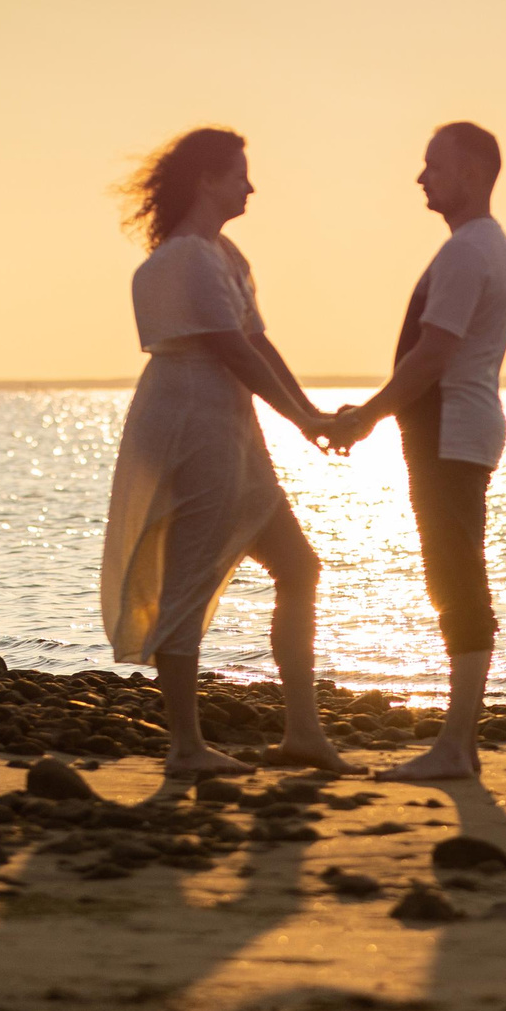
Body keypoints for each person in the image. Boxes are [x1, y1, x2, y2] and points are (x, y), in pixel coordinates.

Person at [99, 126, 353, 778]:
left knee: (298, 567)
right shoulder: (185, 258)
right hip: (192, 423)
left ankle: (303, 734)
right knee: (187, 582)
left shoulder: (224, 253)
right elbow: (232, 351)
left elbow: (258, 345)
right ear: (207, 178)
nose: (250, 184)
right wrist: (301, 420)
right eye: (240, 172)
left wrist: (310, 413)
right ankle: (185, 747)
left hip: (232, 426)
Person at [329, 122, 506, 781]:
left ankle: (455, 747)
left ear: (469, 171)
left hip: (451, 432)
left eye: (432, 165)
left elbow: (433, 354)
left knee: (456, 581)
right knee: (454, 577)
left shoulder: (470, 251)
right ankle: (459, 744)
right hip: (452, 430)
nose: (421, 177)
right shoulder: (477, 247)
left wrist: (365, 417)